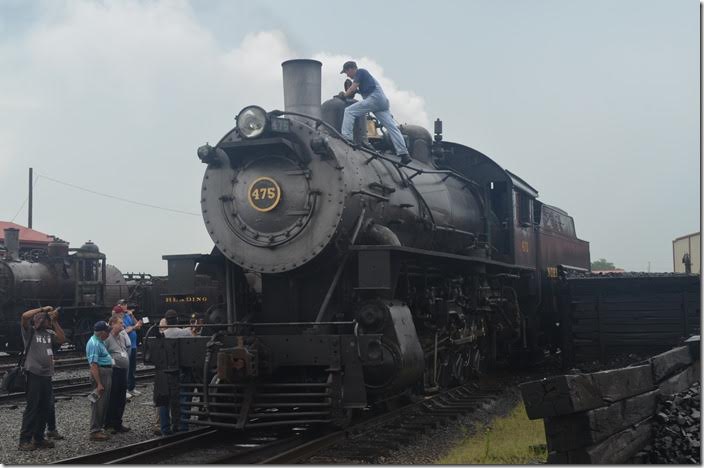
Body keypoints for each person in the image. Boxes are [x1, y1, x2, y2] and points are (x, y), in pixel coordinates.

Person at [338, 61, 410, 164]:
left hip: (375, 98)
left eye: (346, 72)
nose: (347, 75)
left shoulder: (360, 72)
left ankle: (347, 138)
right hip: (382, 102)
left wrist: (344, 95)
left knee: (349, 111)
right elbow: (360, 90)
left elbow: (353, 87)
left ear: (351, 69)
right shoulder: (365, 78)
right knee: (392, 128)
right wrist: (354, 91)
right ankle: (404, 154)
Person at [18, 306, 65, 451]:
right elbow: (24, 316)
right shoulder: (30, 331)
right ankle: (24, 440)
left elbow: (62, 339)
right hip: (34, 374)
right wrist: (43, 309)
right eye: (47, 320)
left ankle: (38, 438)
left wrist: (55, 322)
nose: (48, 322)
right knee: (32, 407)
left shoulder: (49, 333)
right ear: (41, 320)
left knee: (45, 407)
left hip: (46, 375)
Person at [158, 310, 191, 435]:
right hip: (181, 370)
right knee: (183, 396)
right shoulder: (185, 333)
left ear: (166, 321)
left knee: (164, 400)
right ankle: (182, 425)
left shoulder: (162, 336)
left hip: (166, 370)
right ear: (177, 320)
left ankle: (165, 427)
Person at [86, 321, 113, 441]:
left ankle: (98, 428)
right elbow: (93, 364)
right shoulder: (94, 344)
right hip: (100, 375)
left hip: (104, 373)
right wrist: (99, 383)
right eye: (108, 331)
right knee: (99, 404)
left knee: (103, 403)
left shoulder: (99, 341)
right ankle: (95, 431)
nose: (109, 333)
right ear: (102, 332)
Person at [103, 315, 131, 434]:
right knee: (112, 398)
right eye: (120, 323)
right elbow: (103, 353)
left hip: (123, 371)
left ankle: (117, 423)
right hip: (114, 371)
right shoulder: (107, 338)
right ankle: (109, 424)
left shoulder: (122, 336)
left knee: (121, 398)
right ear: (113, 324)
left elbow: (126, 348)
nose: (122, 325)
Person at [121, 302, 142, 398]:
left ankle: (131, 388)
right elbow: (125, 330)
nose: (125, 306)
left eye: (125, 304)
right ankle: (124, 389)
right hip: (126, 346)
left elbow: (138, 324)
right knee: (126, 369)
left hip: (133, 345)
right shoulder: (120, 318)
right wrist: (134, 327)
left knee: (133, 368)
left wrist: (132, 315)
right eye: (122, 304)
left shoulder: (128, 315)